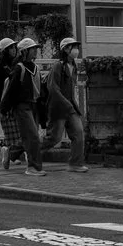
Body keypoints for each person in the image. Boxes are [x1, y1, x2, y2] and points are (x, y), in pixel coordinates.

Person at [0, 38, 46, 175]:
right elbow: (11, 90)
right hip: (22, 106)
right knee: (32, 137)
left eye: (36, 48)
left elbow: (40, 92)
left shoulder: (36, 68)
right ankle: (32, 167)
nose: (35, 51)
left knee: (30, 137)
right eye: (33, 49)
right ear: (25, 51)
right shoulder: (19, 68)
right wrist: (3, 109)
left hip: (34, 105)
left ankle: (11, 153)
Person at [39, 37, 87, 172]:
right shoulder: (58, 66)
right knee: (54, 138)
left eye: (76, 47)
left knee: (78, 133)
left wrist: (72, 105)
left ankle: (75, 164)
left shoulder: (74, 66)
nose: (76, 50)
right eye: (73, 47)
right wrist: (67, 103)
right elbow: (53, 88)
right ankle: (31, 151)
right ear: (65, 49)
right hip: (58, 107)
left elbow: (72, 88)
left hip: (70, 107)